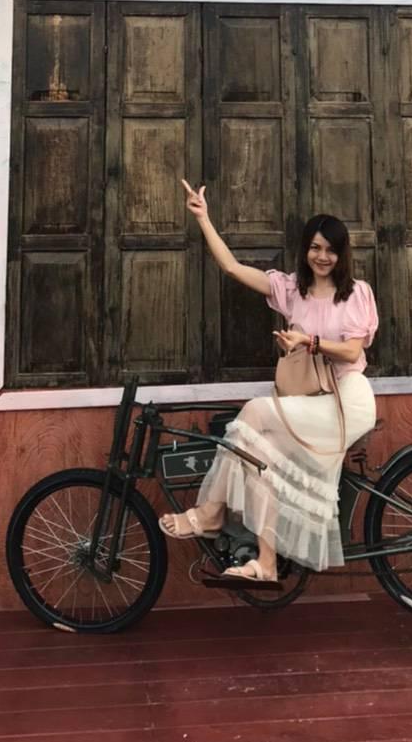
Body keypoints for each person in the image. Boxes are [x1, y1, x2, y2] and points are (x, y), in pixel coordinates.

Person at [159, 181, 378, 583]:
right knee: (256, 458)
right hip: (312, 399)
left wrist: (308, 342)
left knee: (255, 411)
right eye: (315, 247)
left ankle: (209, 514)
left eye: (330, 250)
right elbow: (232, 268)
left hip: (347, 400)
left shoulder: (354, 294)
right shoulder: (293, 290)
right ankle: (266, 562)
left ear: (342, 253)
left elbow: (351, 352)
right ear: (305, 249)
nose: (322, 256)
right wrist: (203, 218)